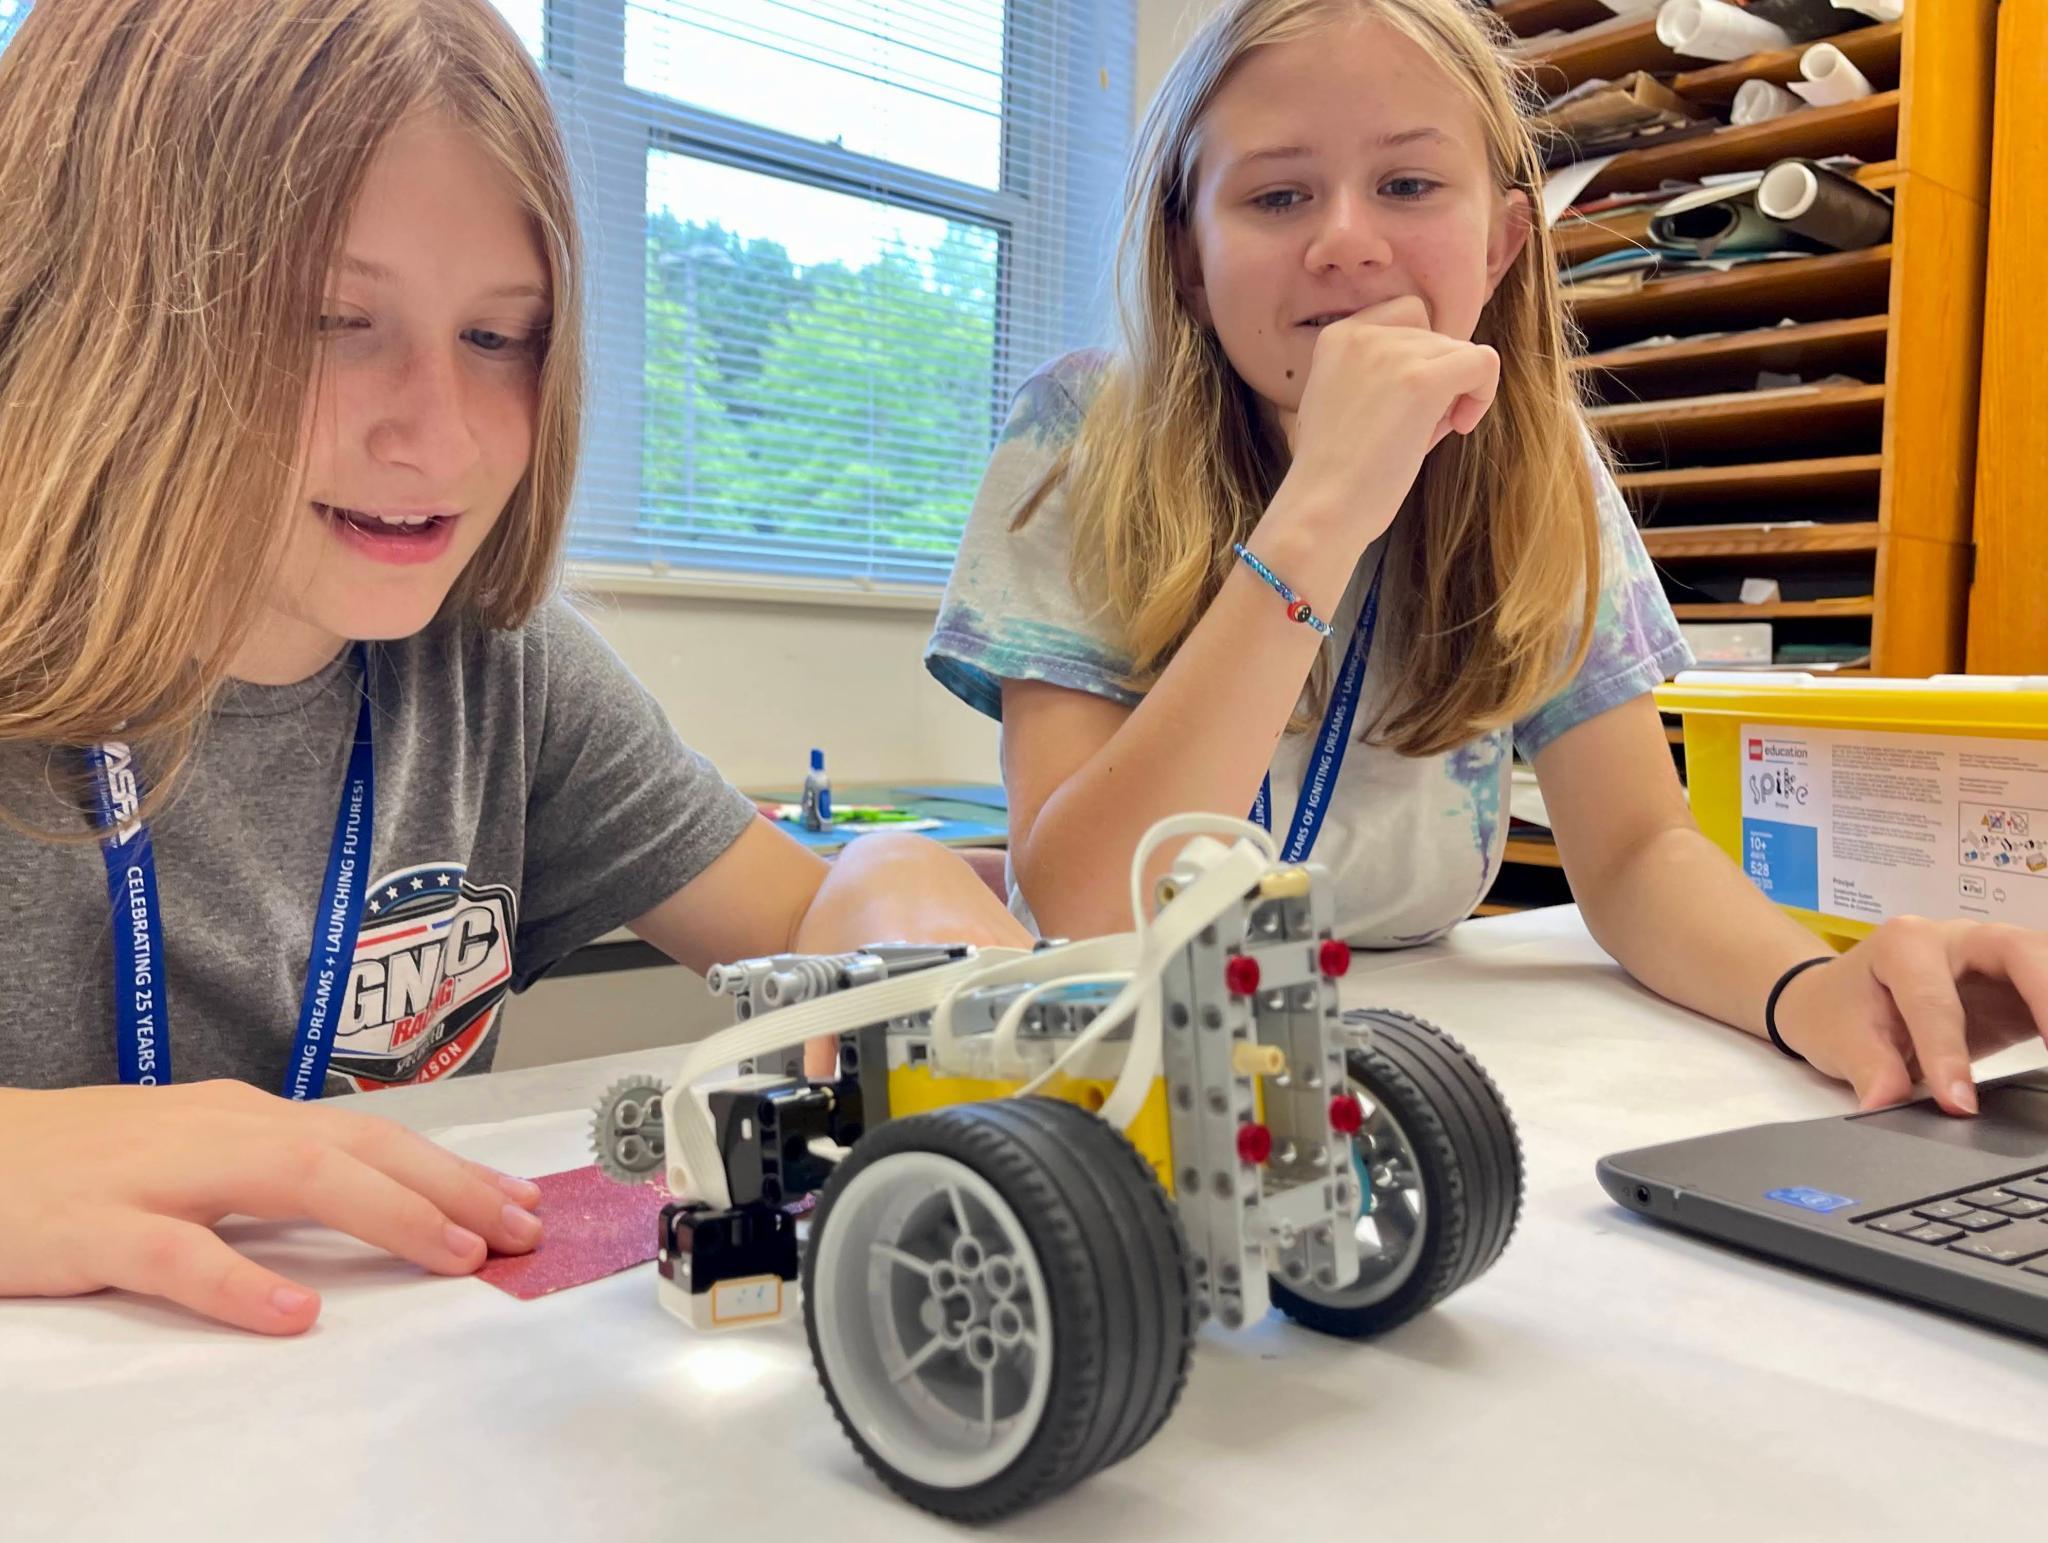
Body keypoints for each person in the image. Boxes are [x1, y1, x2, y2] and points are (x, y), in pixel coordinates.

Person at [0, 0, 1029, 1336]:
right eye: (329, 318)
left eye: (500, 338)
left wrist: (893, 895)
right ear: (92, 308)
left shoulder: (503, 673)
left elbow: (810, 918)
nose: (438, 435)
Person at [926, 0, 2048, 1115]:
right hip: (1134, 1053)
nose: (1345, 242)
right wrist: (1320, 511)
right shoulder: (1079, 432)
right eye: (1275, 197)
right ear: (1186, 256)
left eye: (1407, 187)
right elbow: (1087, 910)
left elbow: (1635, 850)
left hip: (1416, 1057)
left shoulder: (1538, 464)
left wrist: (1806, 985)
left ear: (1500, 241)